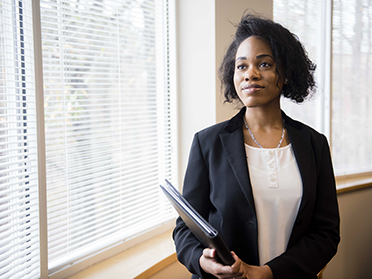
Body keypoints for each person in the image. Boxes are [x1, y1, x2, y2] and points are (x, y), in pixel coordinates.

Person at [173, 13, 340, 279]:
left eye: (264, 64)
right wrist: (203, 263)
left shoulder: (314, 145)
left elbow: (326, 233)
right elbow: (185, 229)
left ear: (284, 74)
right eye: (242, 66)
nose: (250, 74)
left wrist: (267, 273)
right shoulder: (207, 143)